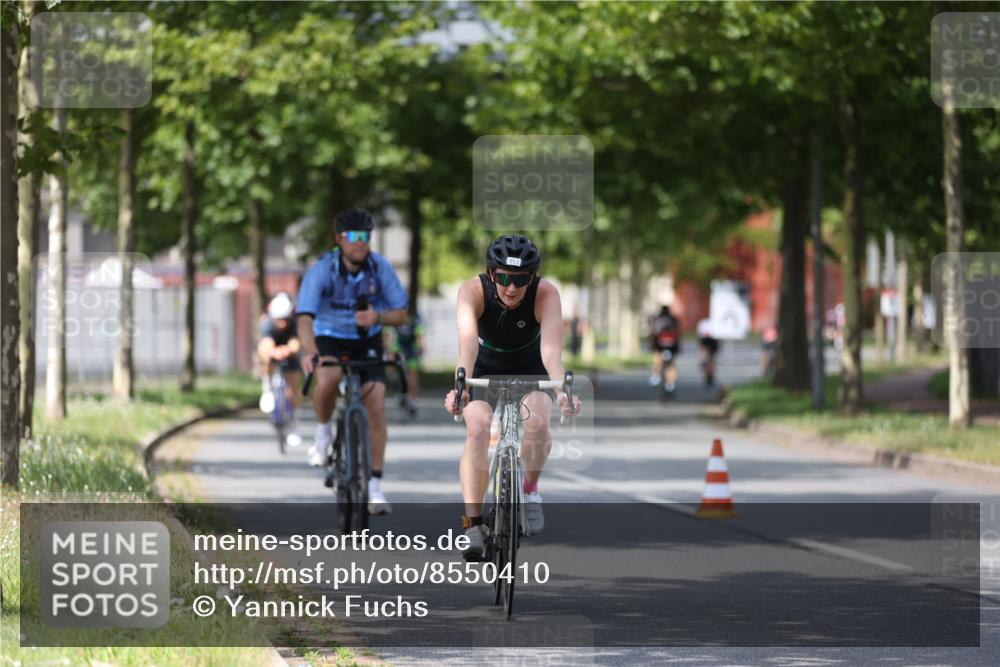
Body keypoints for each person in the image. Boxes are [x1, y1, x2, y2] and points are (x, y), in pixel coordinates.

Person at [444, 234, 582, 561]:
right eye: (504, 278)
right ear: (492, 274)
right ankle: (472, 524)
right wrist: (460, 388)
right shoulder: (472, 292)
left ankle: (531, 491)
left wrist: (563, 391)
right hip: (483, 366)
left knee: (537, 421)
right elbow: (467, 347)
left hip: (529, 366)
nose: (510, 288)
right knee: (477, 429)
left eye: (520, 280)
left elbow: (551, 353)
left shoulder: (546, 294)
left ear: (531, 278)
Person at [296, 209, 409, 515]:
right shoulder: (323, 269)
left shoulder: (379, 267)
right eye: (353, 237)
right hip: (330, 336)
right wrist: (309, 351)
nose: (360, 243)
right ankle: (322, 433)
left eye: (365, 237)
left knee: (376, 402)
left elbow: (401, 313)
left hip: (367, 338)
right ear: (339, 240)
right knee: (329, 378)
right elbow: (305, 316)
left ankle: (374, 486)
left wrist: (379, 317)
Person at [258, 292, 304, 447]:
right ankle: (267, 387)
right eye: (279, 320)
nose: (282, 324)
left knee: (294, 388)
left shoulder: (295, 324)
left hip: (289, 353)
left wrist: (288, 351)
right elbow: (265, 344)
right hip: (273, 348)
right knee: (266, 360)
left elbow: (296, 343)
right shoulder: (266, 323)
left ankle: (294, 425)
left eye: (285, 320)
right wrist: (273, 352)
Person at [390, 308, 425, 418]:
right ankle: (399, 388)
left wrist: (420, 348)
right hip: (398, 348)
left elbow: (420, 335)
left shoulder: (415, 318)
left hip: (411, 350)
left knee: (413, 374)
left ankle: (412, 400)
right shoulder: (394, 315)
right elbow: (389, 336)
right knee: (393, 368)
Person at [649, 305, 681, 392]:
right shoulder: (673, 320)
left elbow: (653, 333)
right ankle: (670, 382)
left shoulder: (657, 319)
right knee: (671, 364)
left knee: (657, 360)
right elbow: (678, 334)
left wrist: (652, 345)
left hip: (661, 346)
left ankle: (655, 376)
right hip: (670, 346)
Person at [697, 317, 719, 387]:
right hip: (705, 341)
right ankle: (708, 373)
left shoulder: (715, 321)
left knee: (711, 360)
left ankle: (710, 375)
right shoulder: (703, 322)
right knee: (704, 360)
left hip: (712, 341)